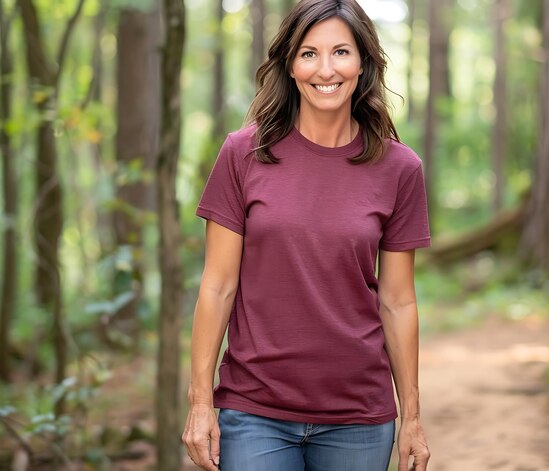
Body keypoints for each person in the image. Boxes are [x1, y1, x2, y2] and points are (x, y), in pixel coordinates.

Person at [182, 0, 431, 469]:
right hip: (255, 411)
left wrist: (413, 417)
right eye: (309, 53)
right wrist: (199, 403)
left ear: (363, 63)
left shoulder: (400, 169)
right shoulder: (243, 155)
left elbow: (398, 301)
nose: (325, 69)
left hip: (358, 416)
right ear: (290, 65)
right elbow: (217, 286)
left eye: (340, 52)